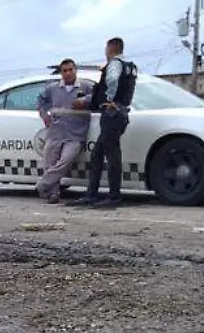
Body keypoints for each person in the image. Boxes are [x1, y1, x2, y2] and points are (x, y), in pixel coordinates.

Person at [70, 37, 136, 209]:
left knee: (112, 156)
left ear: (110, 49)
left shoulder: (114, 64)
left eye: (106, 49)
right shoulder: (130, 66)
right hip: (120, 113)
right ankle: (92, 194)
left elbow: (112, 80)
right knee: (97, 155)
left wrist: (110, 99)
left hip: (112, 114)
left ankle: (113, 196)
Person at [35, 58, 94, 204]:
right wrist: (44, 116)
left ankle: (42, 184)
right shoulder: (53, 88)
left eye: (70, 70)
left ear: (76, 70)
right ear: (61, 72)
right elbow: (40, 101)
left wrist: (84, 101)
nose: (68, 73)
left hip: (75, 134)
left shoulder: (85, 86)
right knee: (49, 162)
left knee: (65, 161)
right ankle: (54, 193)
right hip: (56, 132)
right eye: (64, 71)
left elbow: (98, 97)